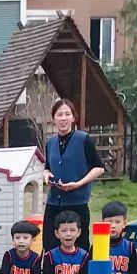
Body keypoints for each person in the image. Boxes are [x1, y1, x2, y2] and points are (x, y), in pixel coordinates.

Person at [41, 99, 106, 253]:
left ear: (73, 117)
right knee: (50, 245)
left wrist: (79, 183)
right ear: (54, 118)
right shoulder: (50, 142)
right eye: (59, 115)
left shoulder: (83, 139)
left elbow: (99, 168)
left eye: (67, 114)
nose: (63, 118)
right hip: (54, 202)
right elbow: (47, 168)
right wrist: (46, 175)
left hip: (77, 202)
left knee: (79, 247)